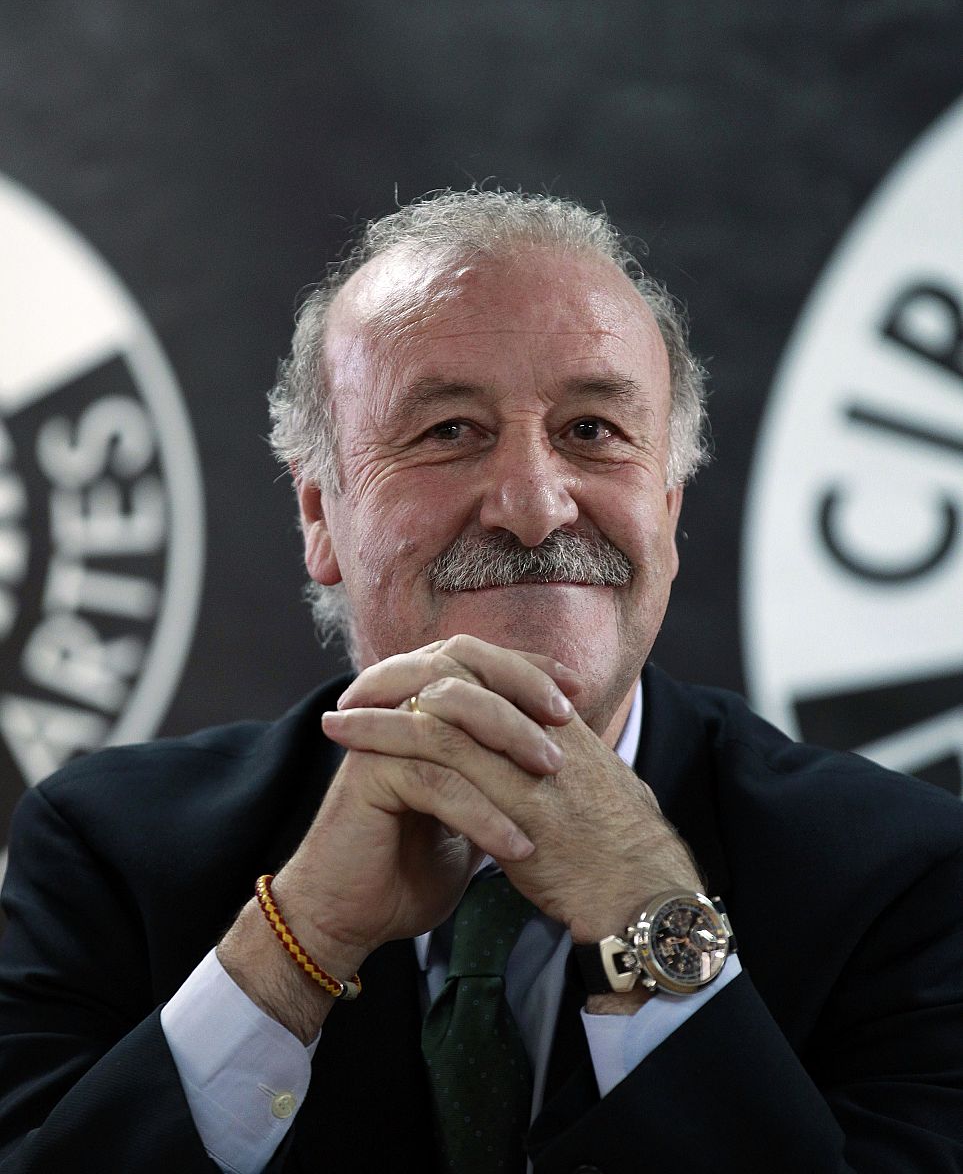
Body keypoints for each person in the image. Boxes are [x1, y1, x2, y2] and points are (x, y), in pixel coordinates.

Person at [1, 189, 961, 1173]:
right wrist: (295, 949)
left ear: (667, 512)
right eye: (450, 431)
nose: (536, 506)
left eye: (592, 429)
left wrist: (653, 923)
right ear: (321, 514)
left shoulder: (903, 875)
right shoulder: (109, 851)